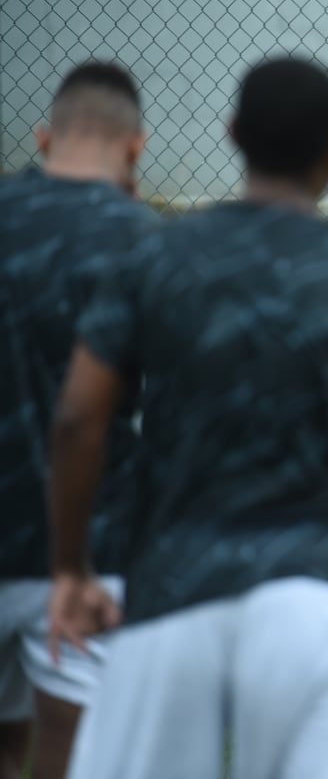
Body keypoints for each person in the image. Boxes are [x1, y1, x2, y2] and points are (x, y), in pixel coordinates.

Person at [46, 56, 328, 779]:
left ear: (233, 133)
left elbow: (78, 421)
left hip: (170, 595)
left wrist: (70, 566)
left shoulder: (155, 255)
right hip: (310, 596)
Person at [0, 60, 155, 779]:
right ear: (135, 148)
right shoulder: (142, 240)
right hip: (90, 551)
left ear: (41, 136)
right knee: (74, 756)